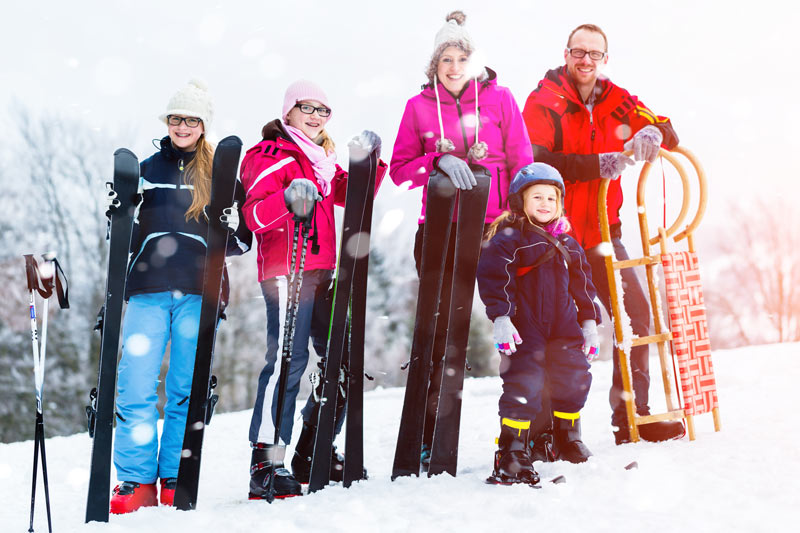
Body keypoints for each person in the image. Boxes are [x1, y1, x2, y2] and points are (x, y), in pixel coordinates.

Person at [521, 23, 685, 445]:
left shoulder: (617, 100)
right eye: (579, 52)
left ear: (605, 59)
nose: (586, 60)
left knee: (636, 318)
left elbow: (665, 126)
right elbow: (535, 160)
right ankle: (551, 431)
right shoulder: (544, 100)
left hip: (604, 233)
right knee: (559, 330)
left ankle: (634, 418)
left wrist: (652, 132)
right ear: (566, 53)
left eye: (595, 54)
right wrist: (596, 165)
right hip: (554, 239)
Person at [389, 10, 532, 470]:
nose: (454, 67)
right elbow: (399, 168)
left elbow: (522, 163)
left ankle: (528, 435)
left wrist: (517, 222)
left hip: (494, 230)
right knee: (440, 337)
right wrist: (435, 160)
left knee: (520, 324)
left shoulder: (500, 99)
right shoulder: (418, 107)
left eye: (462, 57)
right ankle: (431, 435)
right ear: (434, 65)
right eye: (446, 58)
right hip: (441, 232)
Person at [108, 79, 252, 514]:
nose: (183, 126)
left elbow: (242, 245)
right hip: (148, 290)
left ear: (204, 125)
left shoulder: (222, 176)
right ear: (167, 123)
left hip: (199, 292)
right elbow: (126, 240)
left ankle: (174, 473)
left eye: (191, 119)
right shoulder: (146, 172)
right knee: (135, 385)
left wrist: (231, 222)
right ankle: (135, 481)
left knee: (185, 388)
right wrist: (118, 209)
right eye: (176, 118)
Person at [240, 79, 386, 499]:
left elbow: (357, 194)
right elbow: (253, 217)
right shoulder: (268, 154)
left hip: (323, 272)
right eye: (308, 107)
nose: (317, 116)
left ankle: (310, 450)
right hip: (287, 272)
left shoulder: (321, 160)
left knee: (342, 360)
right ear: (288, 112)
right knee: (289, 361)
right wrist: (287, 198)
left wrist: (369, 163)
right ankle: (265, 462)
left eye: (324, 110)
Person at [477, 162, 602, 485]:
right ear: (520, 201)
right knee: (525, 382)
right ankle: (512, 450)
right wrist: (502, 318)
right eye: (537, 197)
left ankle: (566, 437)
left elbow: (584, 286)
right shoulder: (509, 239)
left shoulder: (569, 244)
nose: (545, 204)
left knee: (574, 377)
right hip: (525, 326)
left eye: (551, 198)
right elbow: (494, 279)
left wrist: (589, 323)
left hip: (564, 326)